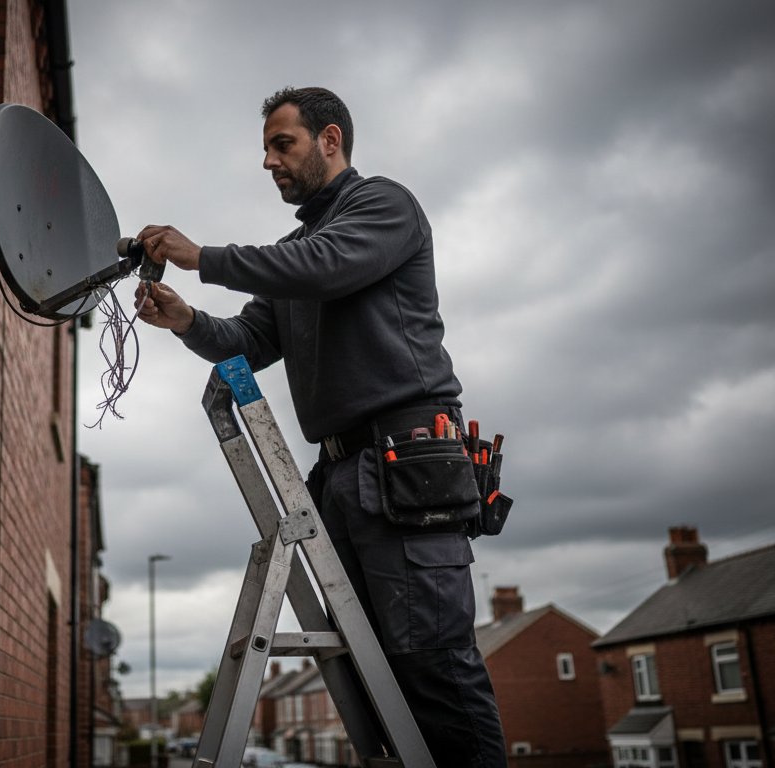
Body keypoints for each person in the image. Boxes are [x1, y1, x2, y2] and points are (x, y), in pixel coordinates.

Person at [134, 86, 506, 767]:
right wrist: (185, 319)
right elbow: (249, 335)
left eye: (284, 144)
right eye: (267, 149)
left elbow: (327, 267)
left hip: (407, 465)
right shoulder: (293, 252)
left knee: (434, 665)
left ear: (330, 139)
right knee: (372, 674)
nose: (270, 161)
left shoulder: (382, 207)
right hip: (338, 477)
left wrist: (203, 256)